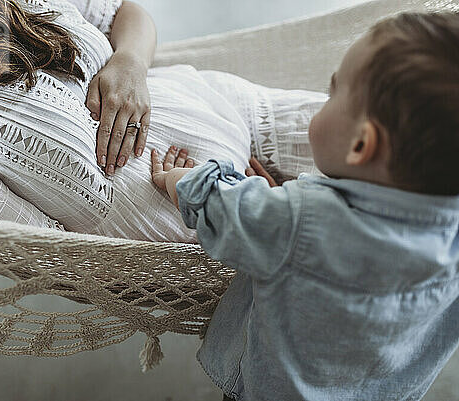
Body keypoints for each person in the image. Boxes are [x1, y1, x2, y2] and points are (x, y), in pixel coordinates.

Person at [151, 11, 459, 401]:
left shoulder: (302, 219)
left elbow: (220, 208)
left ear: (361, 145)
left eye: (332, 95)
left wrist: (178, 180)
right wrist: (282, 197)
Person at [0, 0, 324, 242]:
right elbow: (51, 252)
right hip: (212, 227)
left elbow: (126, 13)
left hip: (233, 107)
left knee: (392, 136)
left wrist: (131, 63)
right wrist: (245, 210)